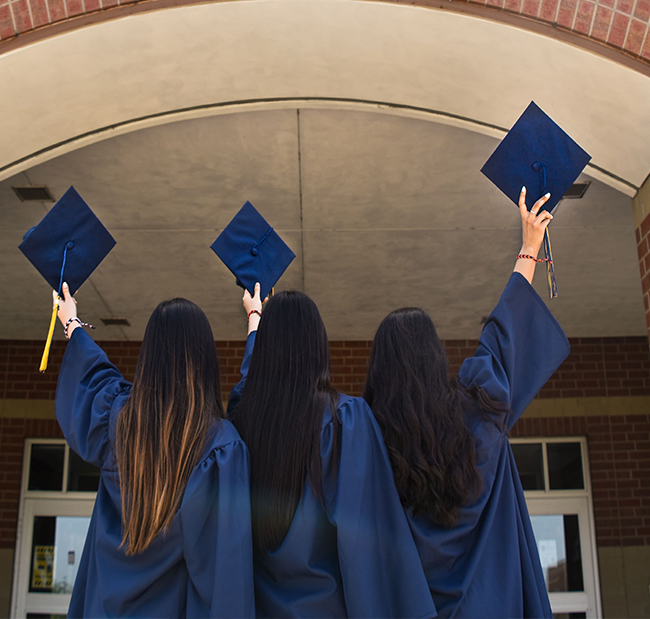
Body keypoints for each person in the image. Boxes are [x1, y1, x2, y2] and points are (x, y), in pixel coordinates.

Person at [363, 187, 570, 619]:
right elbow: (504, 333)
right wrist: (529, 246)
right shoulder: (479, 409)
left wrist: (257, 326)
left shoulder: (368, 444)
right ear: (436, 358)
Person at [228, 288, 436, 619]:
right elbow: (364, 548)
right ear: (318, 347)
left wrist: (255, 322)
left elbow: (248, 385)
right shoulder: (344, 420)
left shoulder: (242, 424)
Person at [54, 288, 255, 618]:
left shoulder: (117, 421)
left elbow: (91, 376)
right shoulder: (218, 446)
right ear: (205, 358)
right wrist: (254, 321)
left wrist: (71, 320)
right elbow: (225, 575)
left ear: (149, 355)